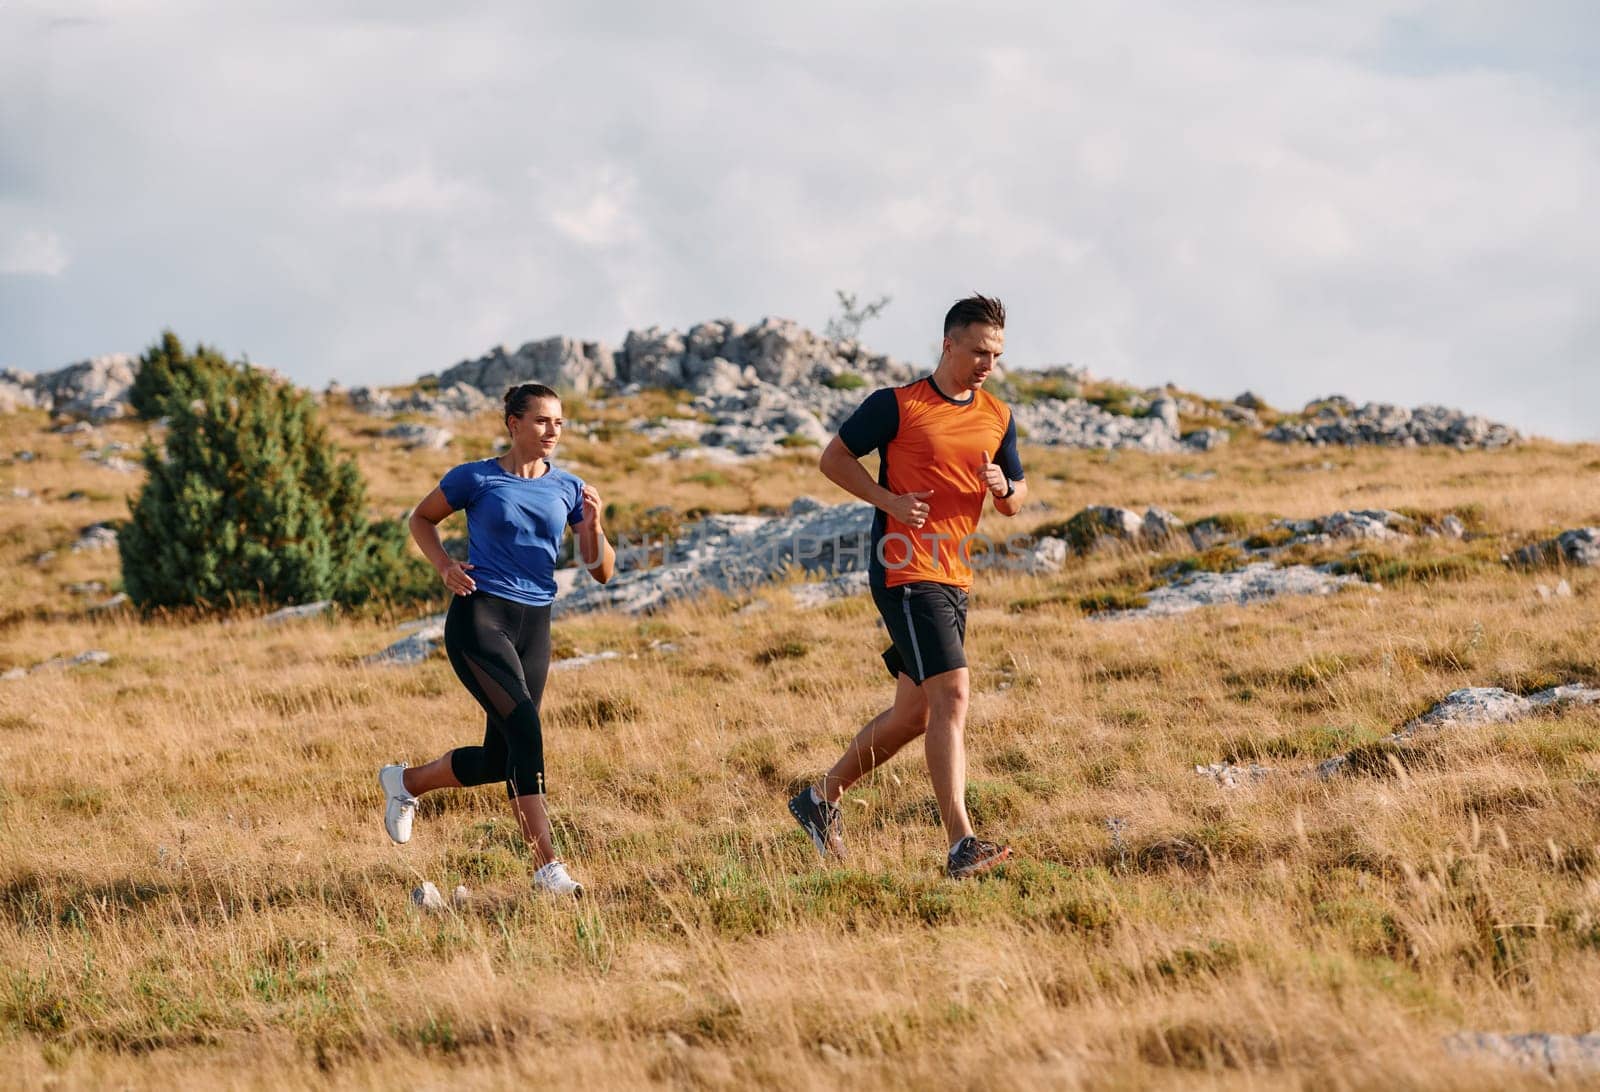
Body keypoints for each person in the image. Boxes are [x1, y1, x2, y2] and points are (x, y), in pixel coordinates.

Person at [788, 294, 1027, 878]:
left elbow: (1018, 500)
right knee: (954, 696)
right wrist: (888, 499)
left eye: (994, 354)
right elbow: (834, 458)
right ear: (948, 344)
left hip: (954, 574)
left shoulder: (997, 415)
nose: (986, 364)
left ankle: (819, 802)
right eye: (977, 351)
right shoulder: (897, 405)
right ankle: (960, 843)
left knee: (915, 713)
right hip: (904, 568)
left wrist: (1003, 488)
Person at [379, 382, 615, 898]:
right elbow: (421, 518)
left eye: (559, 422)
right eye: (541, 421)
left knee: (499, 758)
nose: (552, 431)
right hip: (479, 618)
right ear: (514, 424)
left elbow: (600, 572)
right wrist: (444, 566)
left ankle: (406, 783)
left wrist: (594, 525)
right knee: (527, 732)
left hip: (536, 624)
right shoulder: (476, 477)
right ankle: (547, 868)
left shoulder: (569, 488)